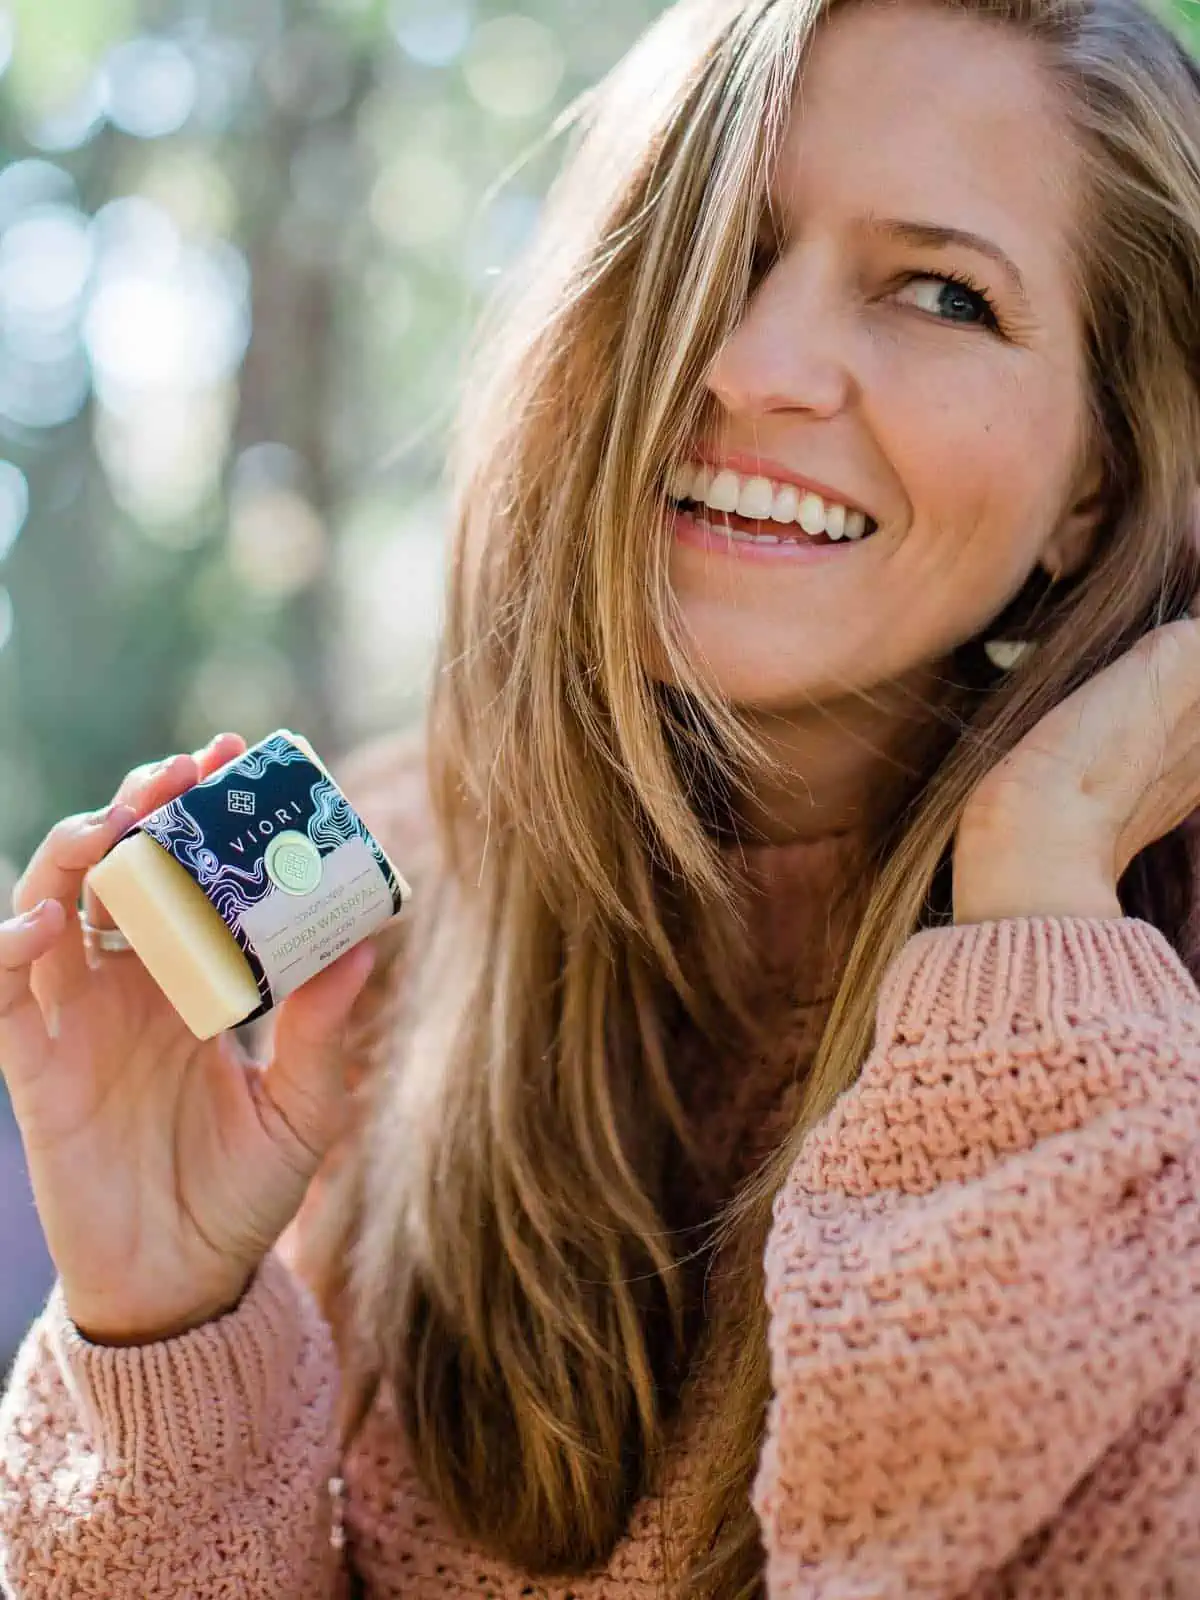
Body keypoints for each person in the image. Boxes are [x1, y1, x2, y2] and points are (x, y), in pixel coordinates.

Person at [5, 0, 1200, 1593]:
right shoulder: (382, 912)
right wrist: (164, 1323)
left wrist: (1039, 893)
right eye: (709, 245)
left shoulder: (1151, 1051)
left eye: (941, 293)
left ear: (1097, 485)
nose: (751, 364)